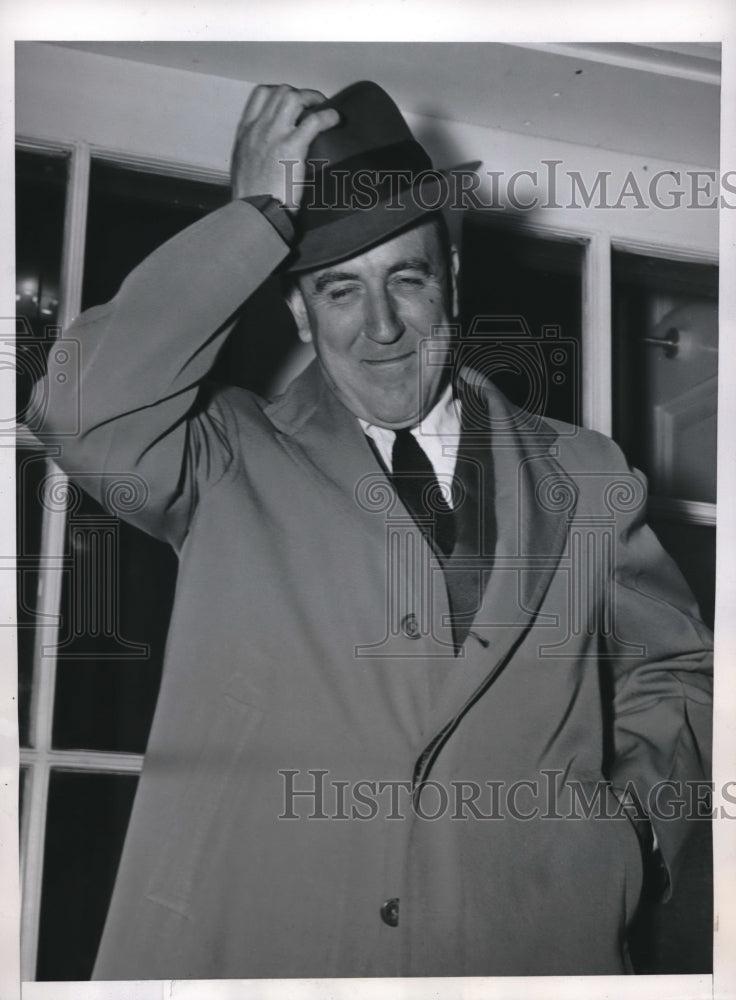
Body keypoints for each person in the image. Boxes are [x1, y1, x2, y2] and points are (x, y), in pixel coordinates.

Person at [39, 81, 712, 979]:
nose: (383, 326)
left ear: (453, 280)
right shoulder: (225, 456)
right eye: (340, 289)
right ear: (297, 311)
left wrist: (637, 840)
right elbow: (78, 411)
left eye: (407, 277)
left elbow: (676, 669)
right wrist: (250, 219)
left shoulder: (586, 475)